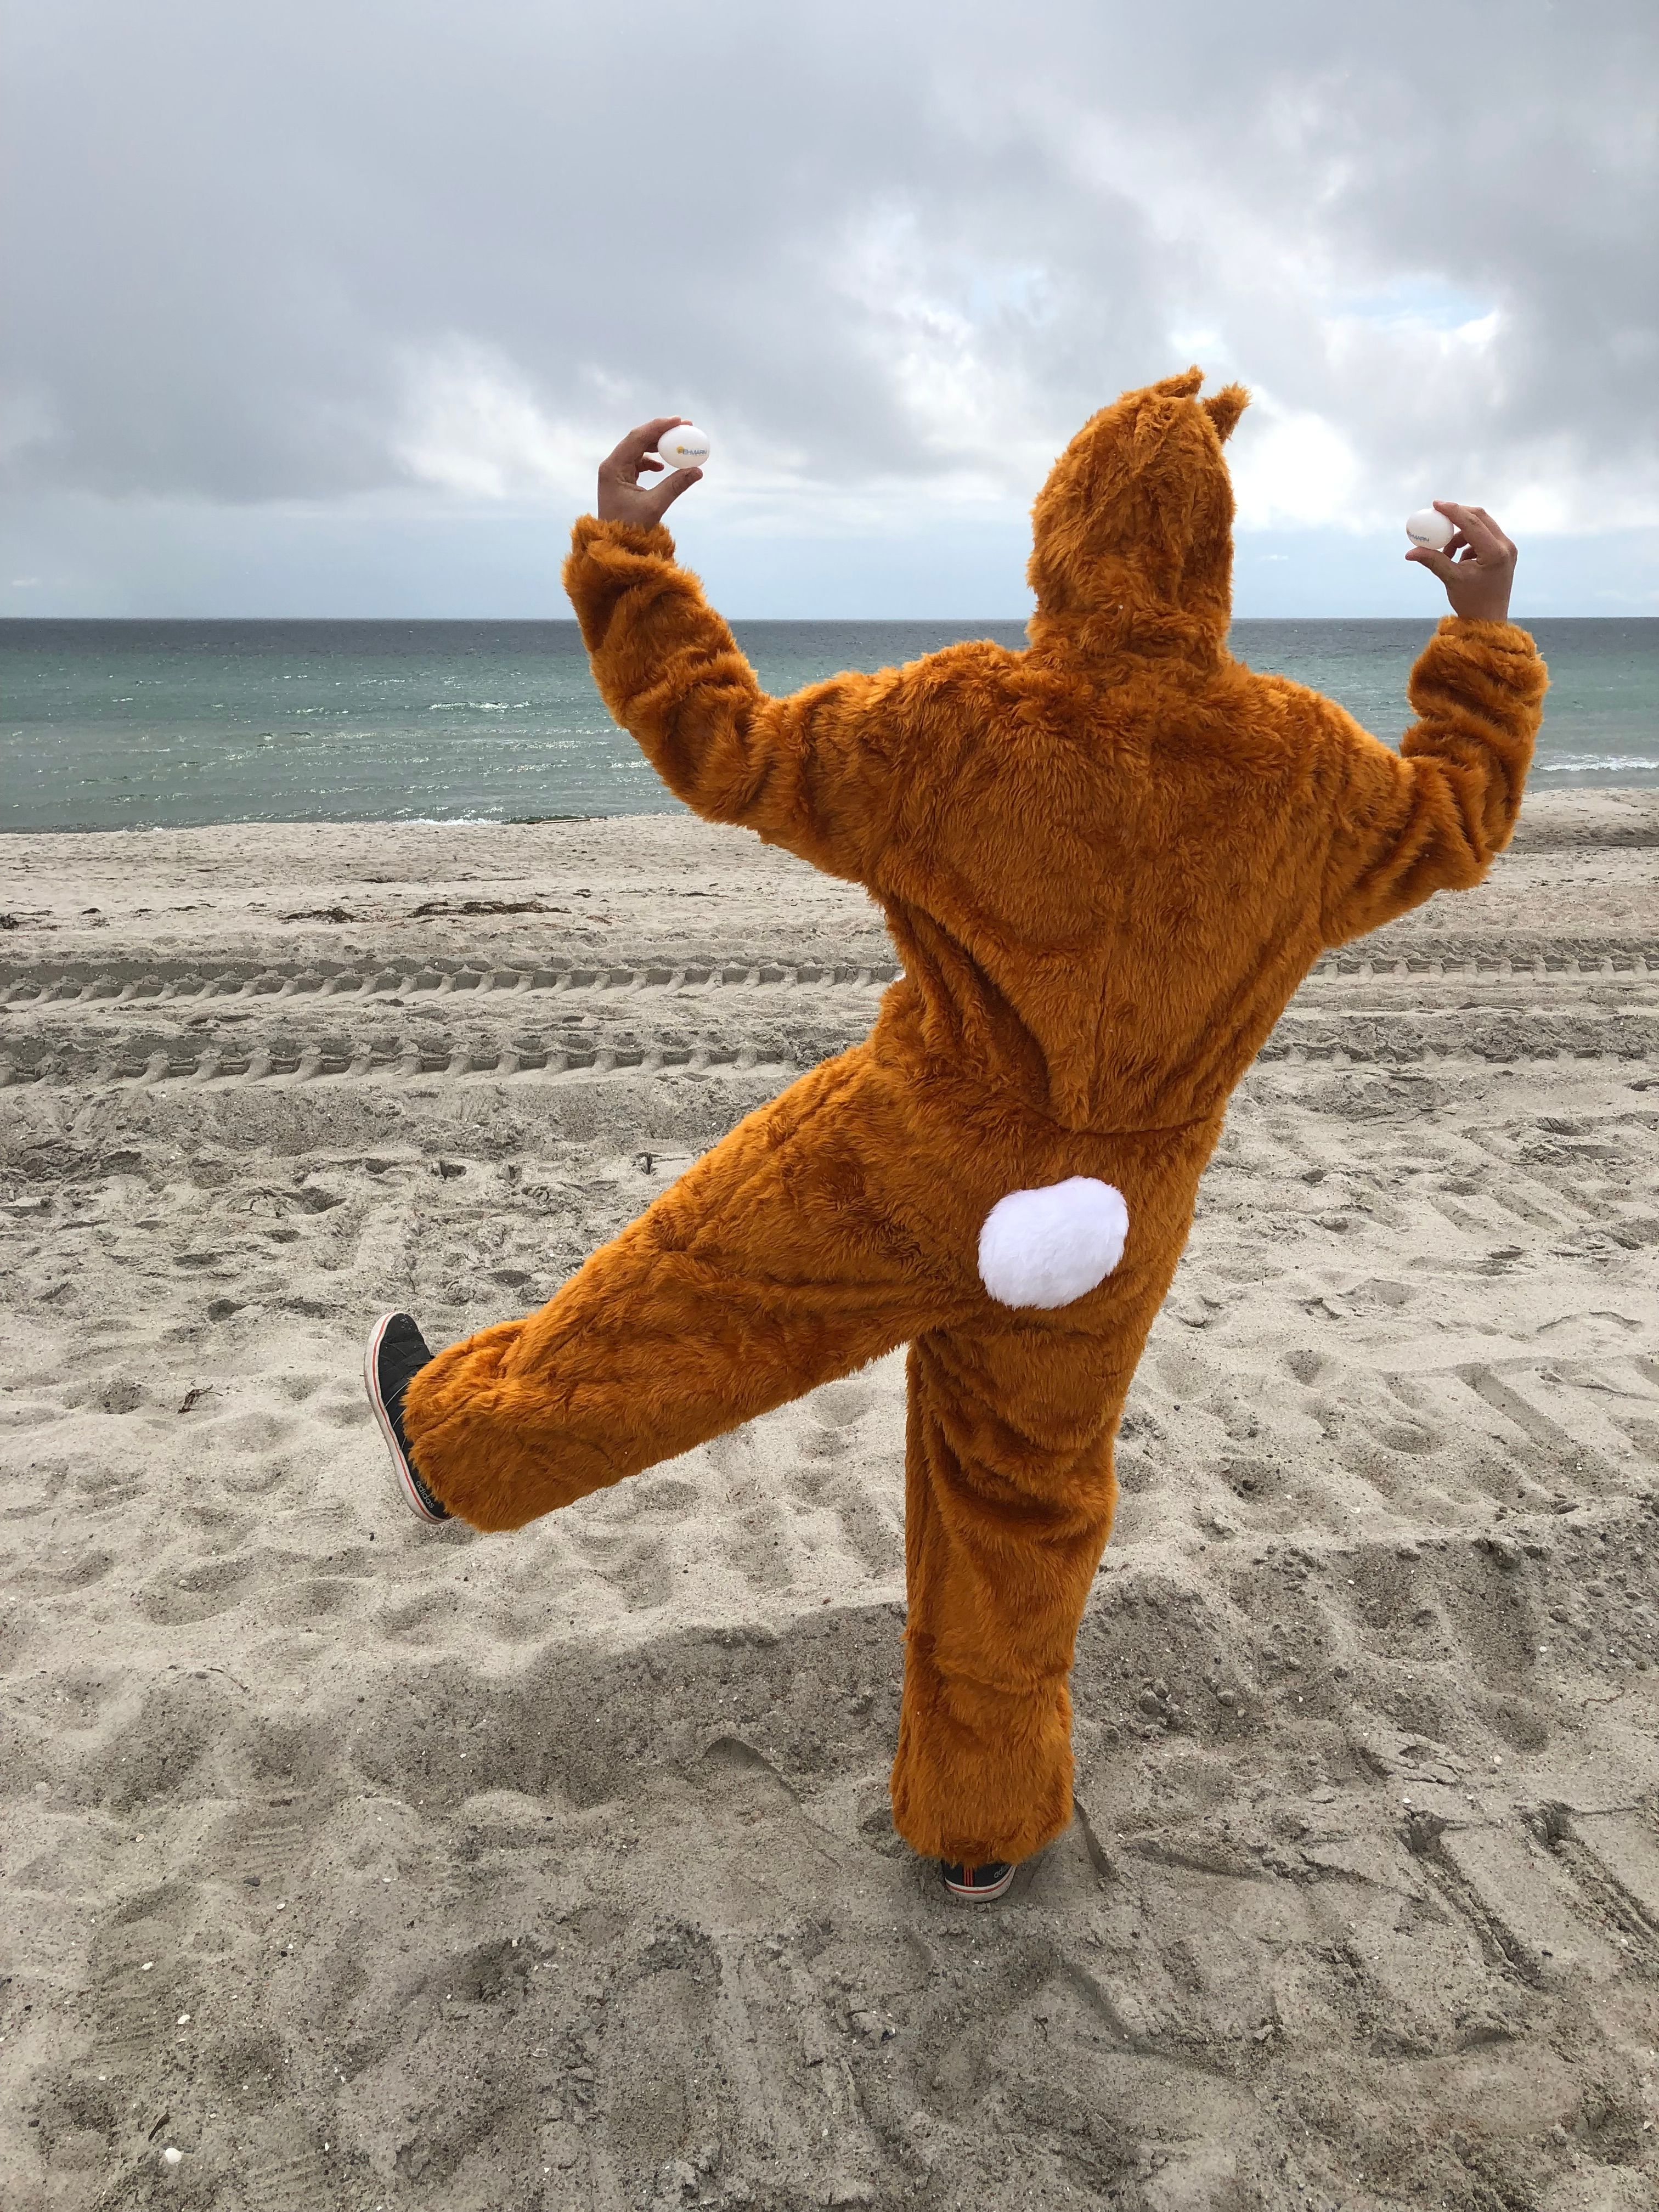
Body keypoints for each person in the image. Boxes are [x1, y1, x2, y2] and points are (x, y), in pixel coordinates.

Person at [364, 370, 1545, 1904]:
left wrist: (629, 560)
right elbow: (1457, 818)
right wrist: (1482, 639)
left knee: (684, 1308)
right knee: (1026, 1499)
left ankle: (458, 1449)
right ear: (1215, 563)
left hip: (919, 1159)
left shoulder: (957, 724)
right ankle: (982, 1828)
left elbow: (730, 750)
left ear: (1056, 540)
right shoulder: (1305, 766)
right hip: (1122, 1215)